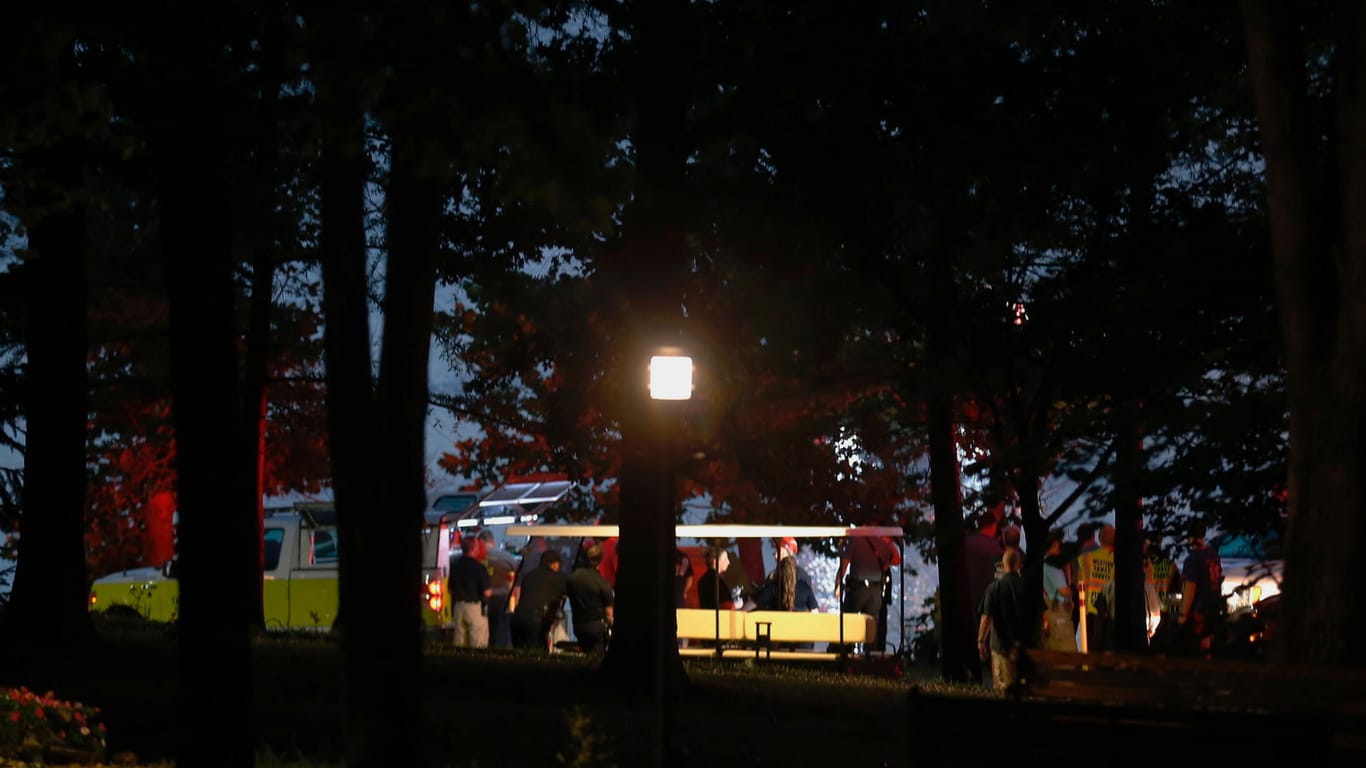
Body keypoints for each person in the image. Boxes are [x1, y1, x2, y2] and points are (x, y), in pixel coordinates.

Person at [977, 548, 1032, 691]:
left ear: (1003, 564)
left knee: (1002, 688)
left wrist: (981, 641)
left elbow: (986, 617)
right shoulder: (1027, 587)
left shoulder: (994, 588)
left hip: (1001, 646)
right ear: (1019, 564)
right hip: (1023, 646)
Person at [1178, 522, 1224, 654]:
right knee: (1210, 640)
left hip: (1200, 607)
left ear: (1190, 538)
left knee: (1198, 644)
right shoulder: (1213, 554)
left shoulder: (1193, 559)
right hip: (1214, 604)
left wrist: (1184, 613)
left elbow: (1190, 587)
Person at [509, 548, 567, 651]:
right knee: (538, 655)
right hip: (536, 621)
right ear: (554, 564)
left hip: (517, 618)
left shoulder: (528, 576)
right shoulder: (558, 578)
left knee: (518, 654)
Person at [1074, 523, 1116, 653]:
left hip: (1091, 610)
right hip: (1112, 612)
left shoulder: (1086, 558)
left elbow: (1079, 583)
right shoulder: (1120, 560)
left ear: (1100, 538)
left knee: (1091, 650)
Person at [566, 543, 615, 653]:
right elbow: (609, 615)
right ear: (599, 561)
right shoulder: (602, 583)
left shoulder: (572, 578)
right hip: (596, 627)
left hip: (578, 625)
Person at [752, 537, 819, 613]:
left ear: (789, 552)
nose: (775, 555)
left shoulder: (801, 576)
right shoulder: (774, 573)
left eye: (779, 551)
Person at [448, 534, 492, 648]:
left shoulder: (454, 566)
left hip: (458, 608)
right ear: (473, 548)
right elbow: (487, 592)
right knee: (478, 643)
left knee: (460, 644)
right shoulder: (480, 568)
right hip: (475, 608)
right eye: (477, 546)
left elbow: (450, 589)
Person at [1037, 529, 1077, 652]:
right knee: (1065, 649)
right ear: (1054, 544)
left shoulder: (1044, 562)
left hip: (1050, 608)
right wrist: (1074, 591)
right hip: (1057, 611)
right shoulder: (1052, 564)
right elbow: (1063, 590)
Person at [477, 528, 517, 647]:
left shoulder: (476, 557)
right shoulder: (505, 556)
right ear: (493, 541)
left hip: (480, 599)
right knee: (499, 631)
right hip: (501, 598)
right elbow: (518, 571)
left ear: (480, 542)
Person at [698, 544, 736, 610]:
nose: (728, 562)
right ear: (716, 561)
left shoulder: (703, 580)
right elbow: (724, 605)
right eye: (725, 559)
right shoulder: (717, 581)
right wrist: (735, 605)